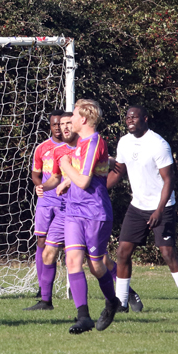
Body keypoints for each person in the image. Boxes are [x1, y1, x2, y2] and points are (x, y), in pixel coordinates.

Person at [108, 106, 178, 316]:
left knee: (167, 253)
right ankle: (122, 303)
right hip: (137, 206)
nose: (130, 120)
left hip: (161, 207)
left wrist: (159, 210)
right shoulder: (124, 142)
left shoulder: (158, 144)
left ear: (145, 119)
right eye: (127, 117)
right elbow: (118, 173)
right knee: (122, 252)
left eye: (135, 117)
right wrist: (96, 190)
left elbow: (169, 179)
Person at [56, 100, 121, 334]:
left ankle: (112, 302)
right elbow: (84, 171)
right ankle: (83, 316)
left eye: (73, 116)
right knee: (72, 260)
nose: (69, 120)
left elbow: (83, 181)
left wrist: (64, 165)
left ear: (83, 119)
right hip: (74, 212)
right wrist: (66, 181)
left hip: (95, 213)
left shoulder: (94, 141)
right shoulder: (80, 143)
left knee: (96, 266)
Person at [23, 110, 66, 310]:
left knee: (66, 246)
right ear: (50, 126)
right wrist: (40, 187)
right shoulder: (42, 148)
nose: (58, 128)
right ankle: (43, 288)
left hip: (66, 202)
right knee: (41, 241)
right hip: (46, 202)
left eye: (60, 124)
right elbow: (35, 173)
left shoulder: (72, 147)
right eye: (54, 124)